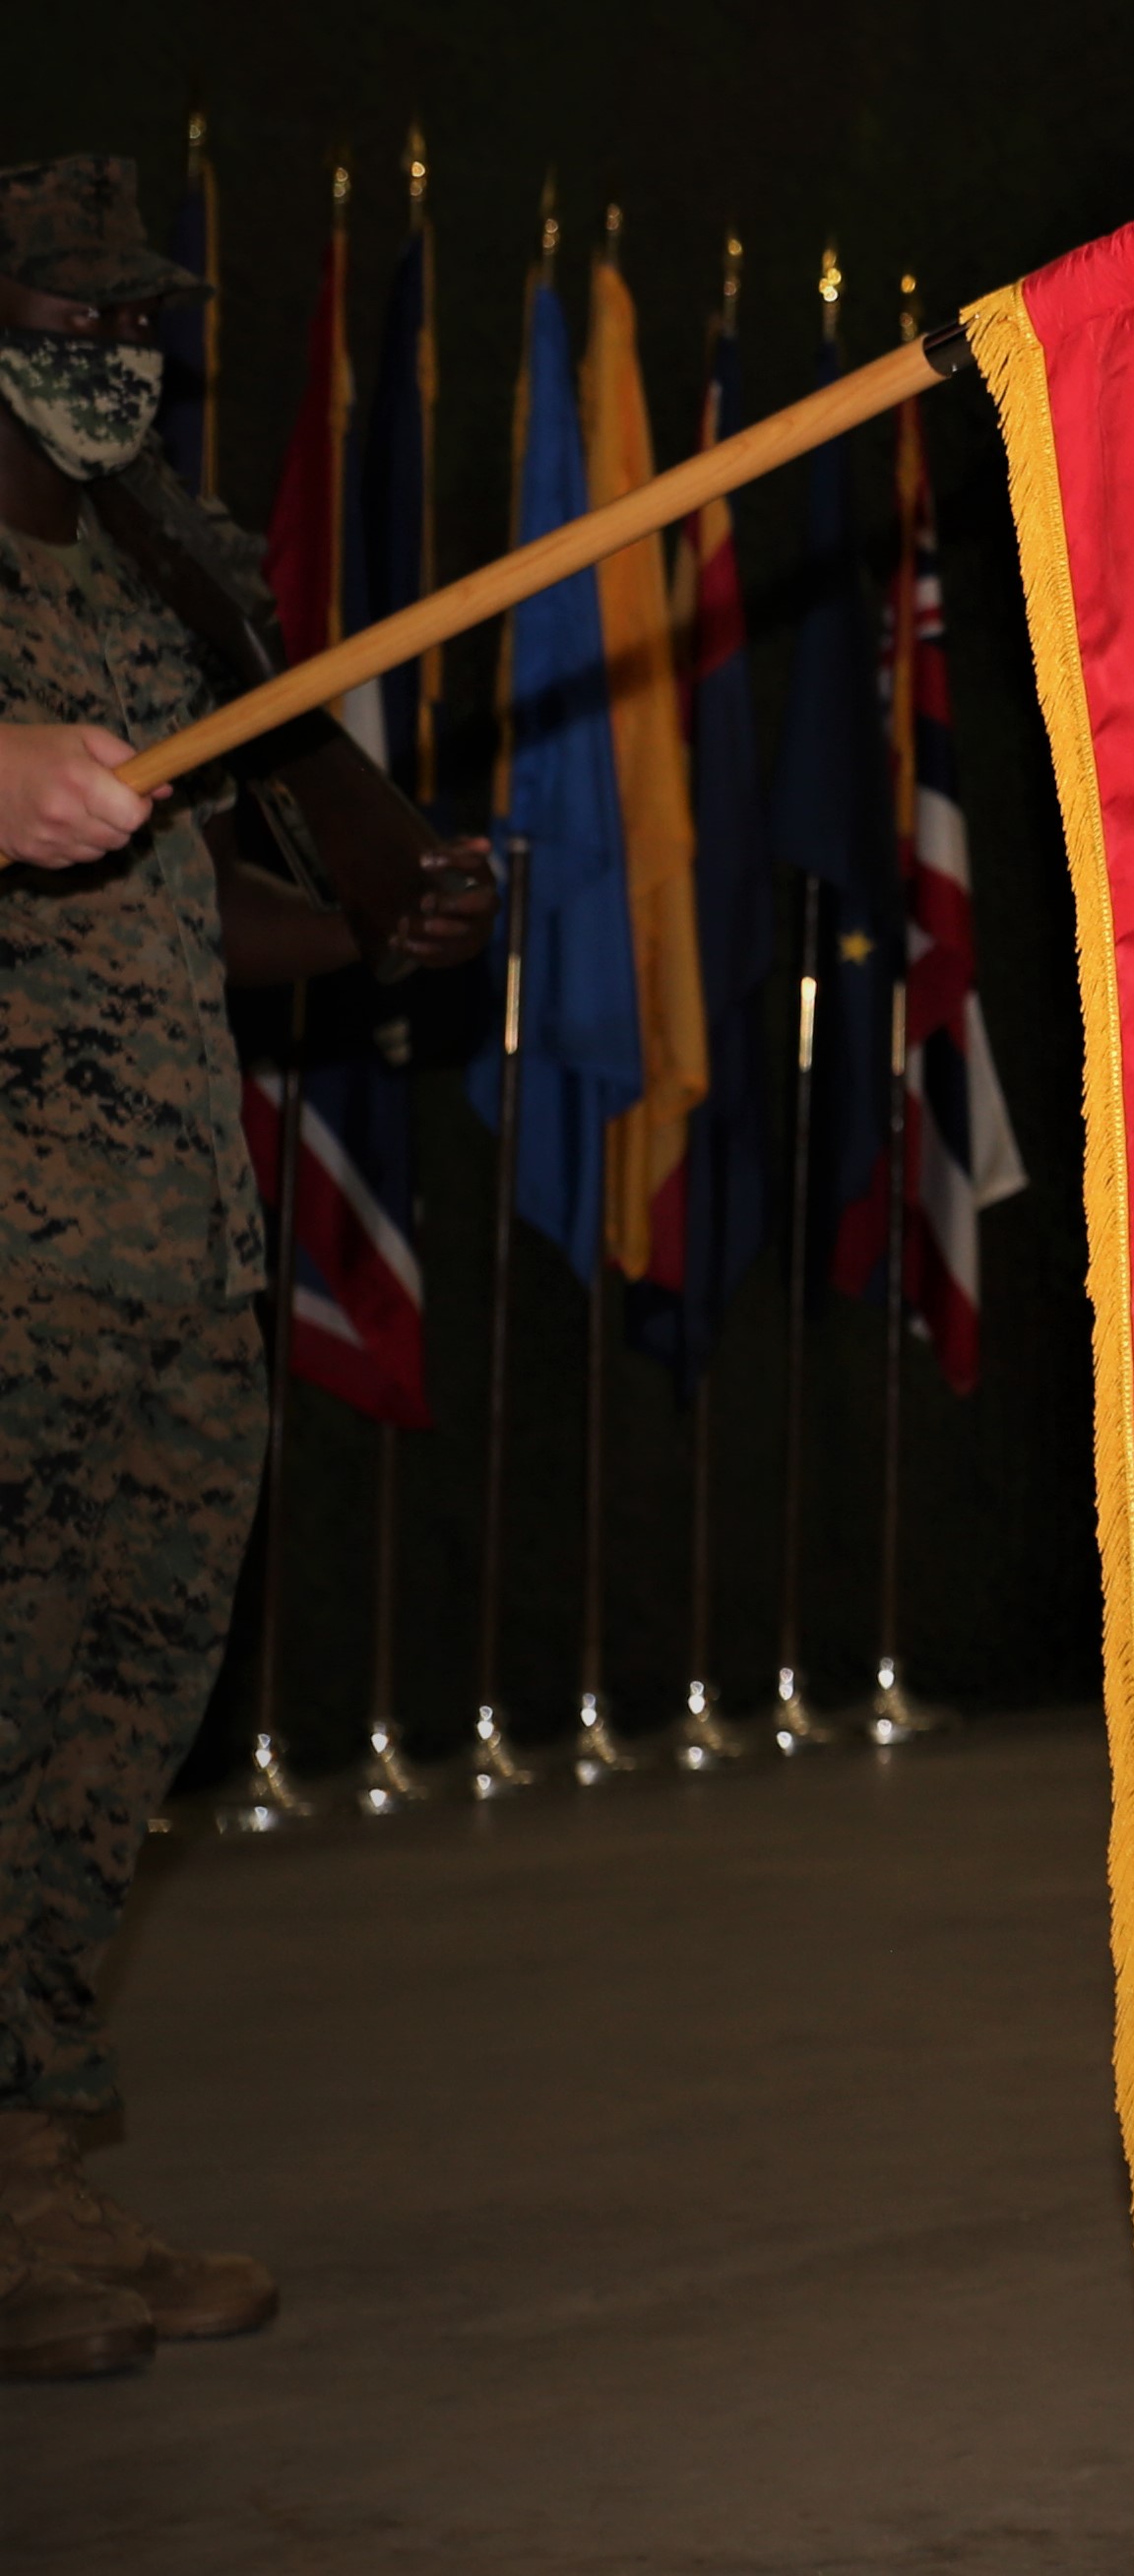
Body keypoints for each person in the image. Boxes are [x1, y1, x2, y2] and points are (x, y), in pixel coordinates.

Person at [0, 152, 492, 2384]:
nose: (108, 357)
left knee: (111, 1718)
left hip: (170, 1254)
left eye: (135, 324)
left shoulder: (162, 547)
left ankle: (22, 2167)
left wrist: (382, 922)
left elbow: (209, 882)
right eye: (64, 312)